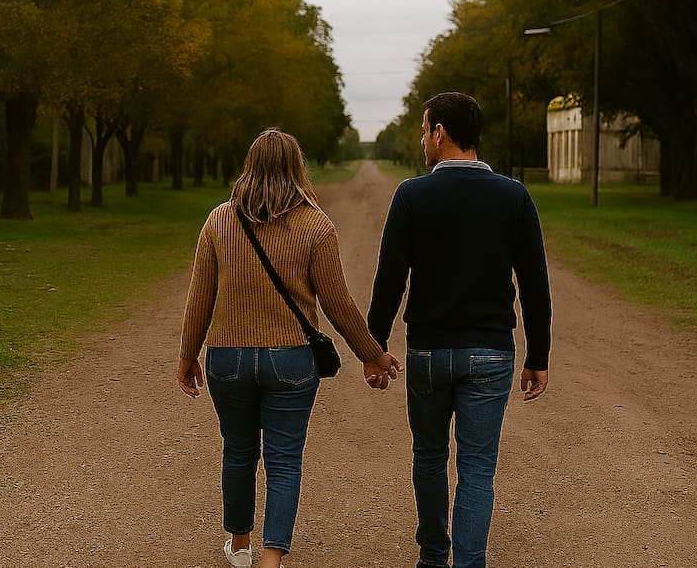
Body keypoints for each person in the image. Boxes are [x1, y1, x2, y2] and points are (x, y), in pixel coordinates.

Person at [177, 127, 403, 568]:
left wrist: (188, 356)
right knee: (284, 460)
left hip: (227, 357)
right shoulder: (316, 225)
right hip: (292, 358)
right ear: (298, 168)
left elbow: (199, 297)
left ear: (250, 167)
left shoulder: (218, 221)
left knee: (238, 450)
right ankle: (271, 559)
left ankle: (240, 547)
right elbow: (338, 303)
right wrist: (372, 354)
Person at [367, 92, 552, 568]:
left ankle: (433, 556)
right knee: (477, 469)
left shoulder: (412, 195)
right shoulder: (513, 196)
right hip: (490, 353)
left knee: (429, 458)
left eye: (423, 129)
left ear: (440, 133)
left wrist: (374, 346)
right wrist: (538, 356)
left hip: (428, 352)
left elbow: (390, 279)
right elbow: (535, 284)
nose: (421, 139)